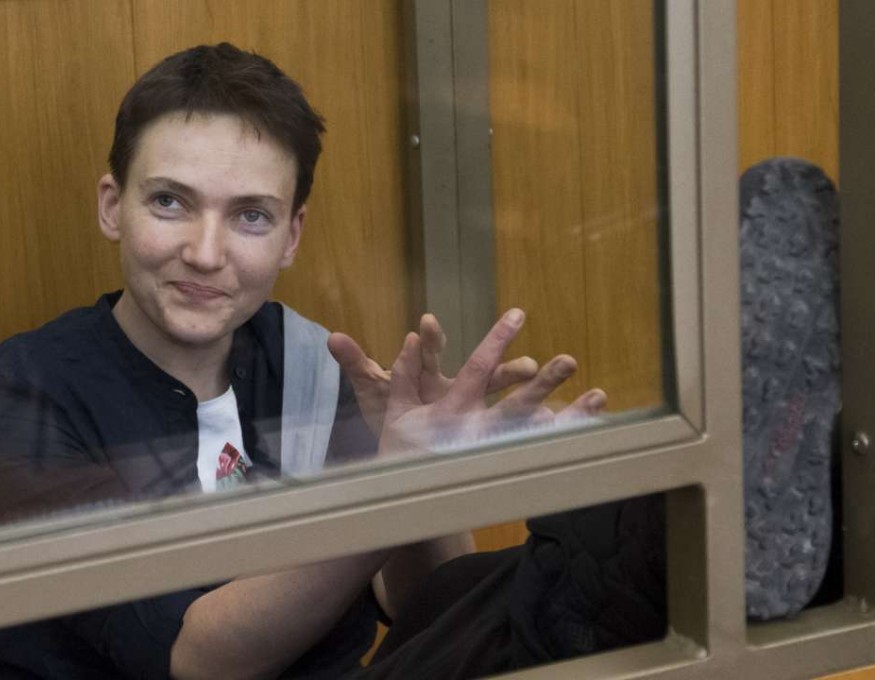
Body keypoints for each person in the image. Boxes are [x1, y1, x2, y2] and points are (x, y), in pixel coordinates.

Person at [0, 43, 603, 679]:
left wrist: (427, 474)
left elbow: (424, 603)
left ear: (291, 236)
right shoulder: (27, 394)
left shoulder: (307, 357)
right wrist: (389, 486)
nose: (206, 253)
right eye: (170, 202)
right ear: (110, 206)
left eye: (250, 216)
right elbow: (198, 661)